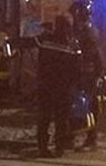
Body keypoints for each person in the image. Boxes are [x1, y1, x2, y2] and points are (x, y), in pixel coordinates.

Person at [34, 15, 80, 157]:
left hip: (46, 85)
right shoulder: (71, 45)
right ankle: (59, 147)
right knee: (61, 118)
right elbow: (76, 68)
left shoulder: (46, 41)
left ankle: (42, 147)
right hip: (63, 88)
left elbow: (41, 62)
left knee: (44, 117)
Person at [70, 0, 105, 150]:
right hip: (85, 73)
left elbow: (90, 54)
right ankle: (86, 136)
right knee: (86, 105)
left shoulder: (86, 32)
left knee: (87, 105)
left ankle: (89, 137)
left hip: (85, 74)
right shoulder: (88, 30)